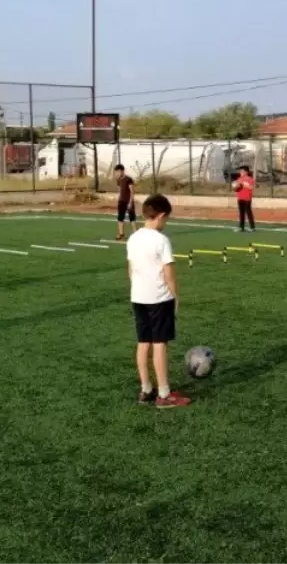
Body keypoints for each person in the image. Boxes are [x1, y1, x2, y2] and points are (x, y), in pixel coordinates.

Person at [127, 194, 190, 409]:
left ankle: (146, 389)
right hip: (159, 298)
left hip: (138, 296)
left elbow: (130, 270)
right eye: (167, 219)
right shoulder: (161, 240)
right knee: (159, 343)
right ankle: (164, 393)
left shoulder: (133, 238)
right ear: (161, 216)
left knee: (143, 342)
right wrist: (175, 296)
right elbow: (169, 273)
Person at [114, 164, 137, 241]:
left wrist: (131, 202)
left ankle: (135, 235)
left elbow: (132, 191)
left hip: (128, 201)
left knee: (132, 218)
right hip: (121, 201)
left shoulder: (128, 179)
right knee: (120, 218)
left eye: (118, 171)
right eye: (116, 172)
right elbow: (120, 190)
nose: (117, 173)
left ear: (122, 171)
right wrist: (118, 198)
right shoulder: (118, 180)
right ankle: (121, 234)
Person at [234, 165, 256, 232]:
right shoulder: (239, 179)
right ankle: (241, 227)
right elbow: (235, 189)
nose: (241, 172)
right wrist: (236, 187)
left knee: (248, 212)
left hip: (247, 198)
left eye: (242, 171)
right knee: (241, 213)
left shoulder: (249, 179)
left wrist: (244, 185)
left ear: (246, 172)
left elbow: (251, 188)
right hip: (240, 198)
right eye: (240, 171)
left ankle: (252, 227)